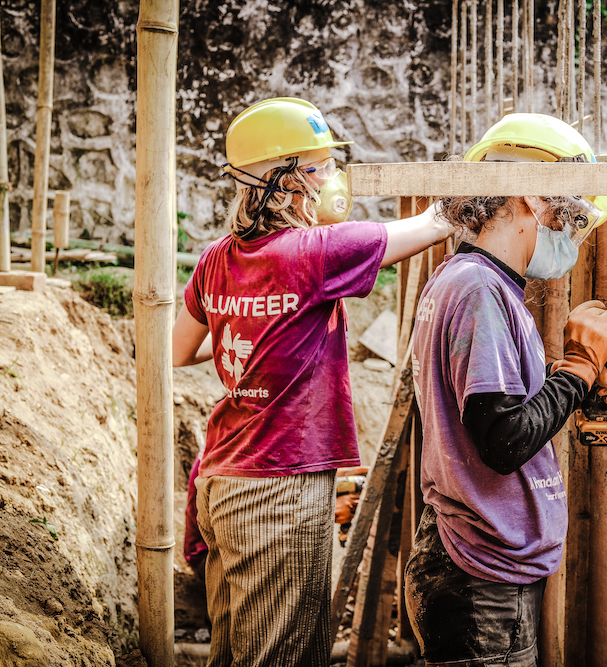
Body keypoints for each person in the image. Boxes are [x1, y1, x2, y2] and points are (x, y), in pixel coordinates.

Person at [172, 97, 450, 667]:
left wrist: (251, 320)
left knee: (235, 651)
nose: (332, 180)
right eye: (321, 167)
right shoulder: (316, 254)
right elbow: (437, 221)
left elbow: (180, 351)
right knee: (283, 656)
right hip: (282, 487)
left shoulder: (217, 259)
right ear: (286, 180)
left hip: (223, 479)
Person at [404, 113, 607, 666]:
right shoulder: (480, 290)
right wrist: (580, 367)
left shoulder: (466, 279)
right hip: (480, 580)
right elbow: (504, 439)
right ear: (534, 197)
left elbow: (495, 411)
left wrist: (574, 381)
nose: (572, 233)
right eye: (572, 211)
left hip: (470, 566)